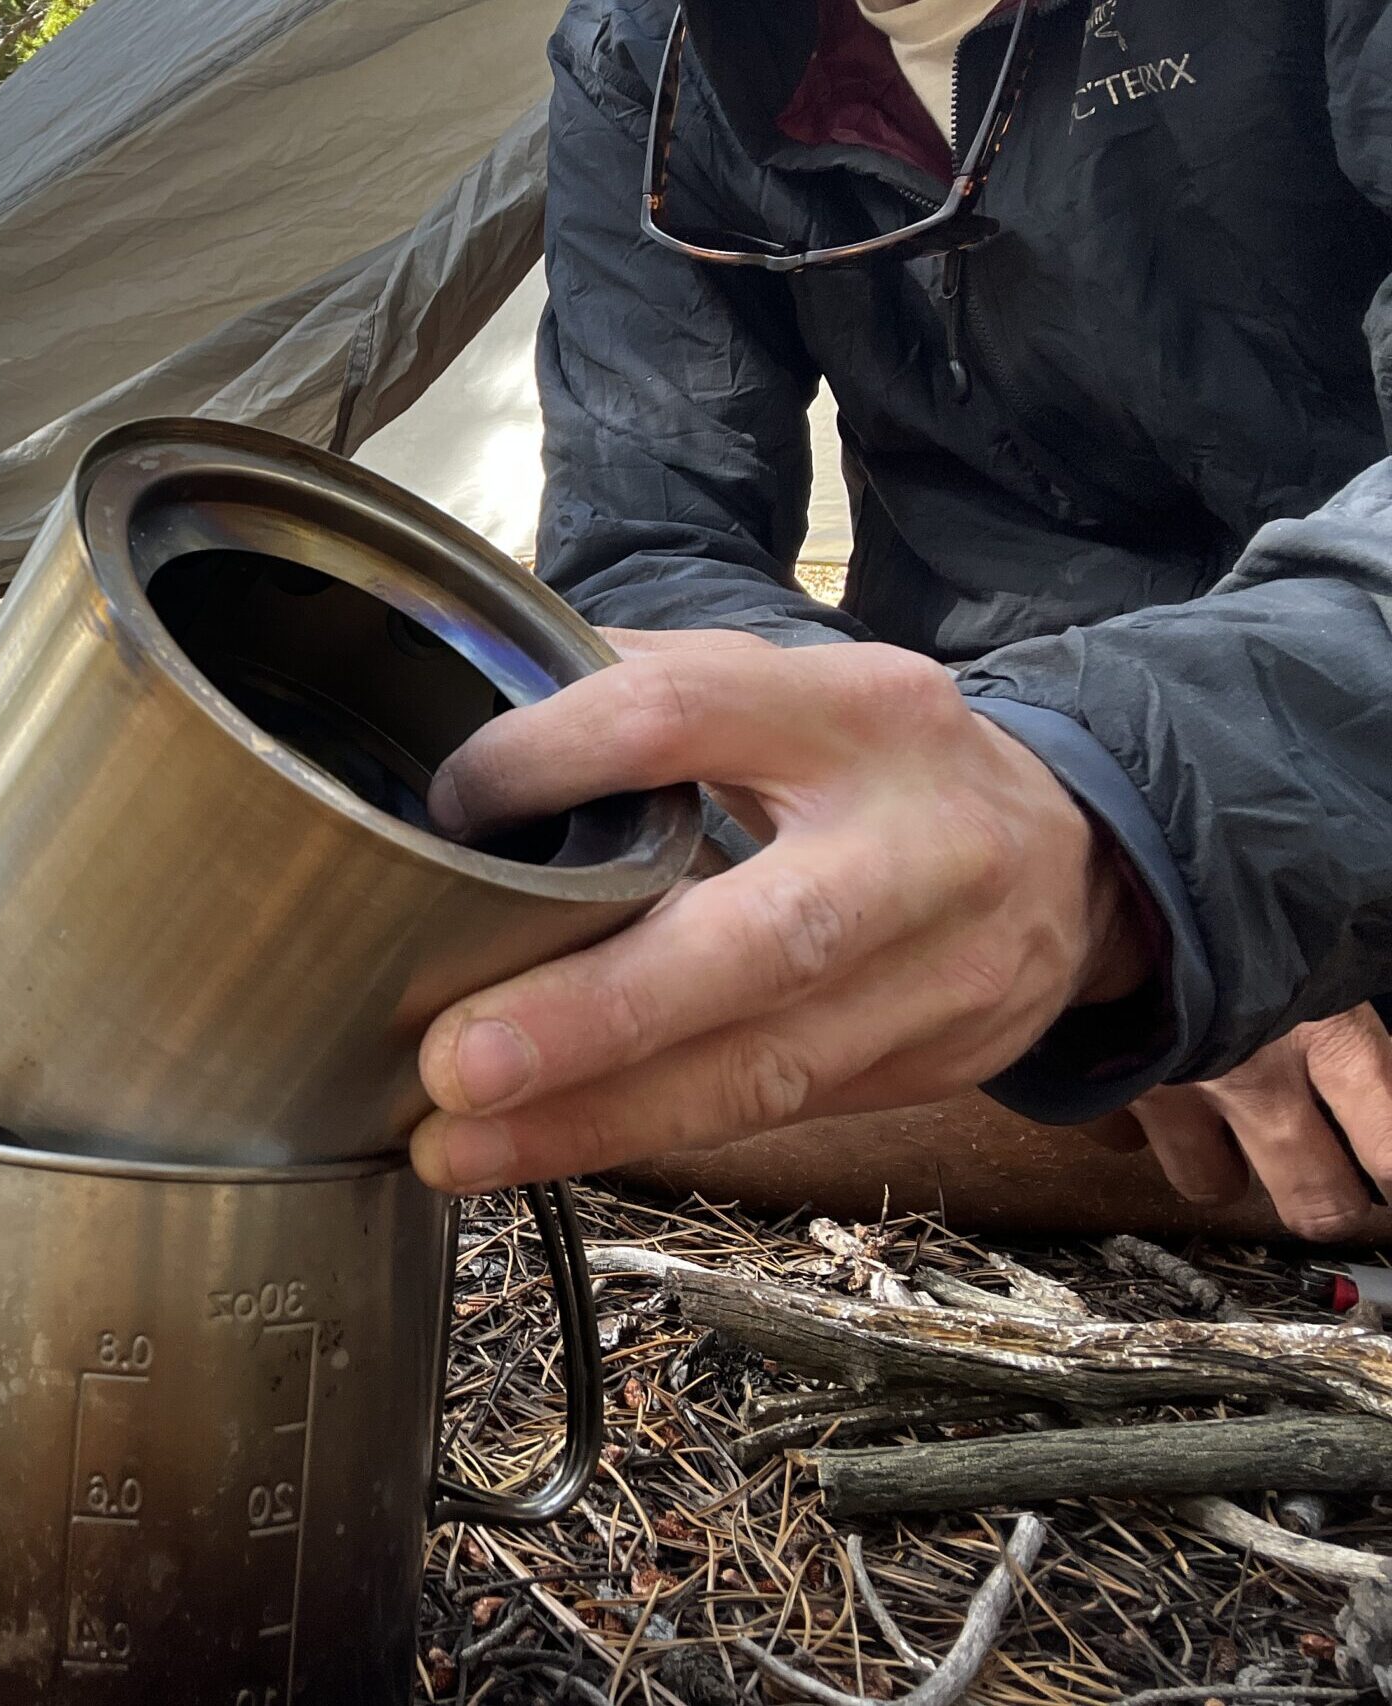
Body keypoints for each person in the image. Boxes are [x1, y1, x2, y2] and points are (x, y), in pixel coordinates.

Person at [407, 0, 1392, 1242]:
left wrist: (1142, 841)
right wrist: (951, 819)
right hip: (962, 781)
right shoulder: (645, 54)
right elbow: (648, 545)